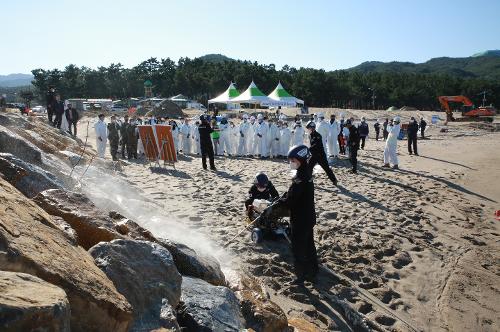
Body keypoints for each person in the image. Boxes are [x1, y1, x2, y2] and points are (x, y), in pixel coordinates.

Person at [278, 145, 318, 284]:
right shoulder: (307, 172)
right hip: (309, 216)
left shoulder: (299, 178)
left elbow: (291, 200)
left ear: (300, 160)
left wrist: (282, 201)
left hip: (300, 219)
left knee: (298, 248)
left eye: (293, 160)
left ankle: (300, 276)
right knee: (309, 245)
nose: (291, 163)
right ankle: (313, 272)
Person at [306, 121, 338, 186]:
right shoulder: (310, 135)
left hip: (320, 155)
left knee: (326, 168)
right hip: (314, 155)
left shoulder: (318, 135)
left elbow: (316, 145)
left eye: (309, 128)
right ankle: (309, 179)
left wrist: (309, 149)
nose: (308, 130)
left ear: (312, 128)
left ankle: (334, 180)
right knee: (309, 167)